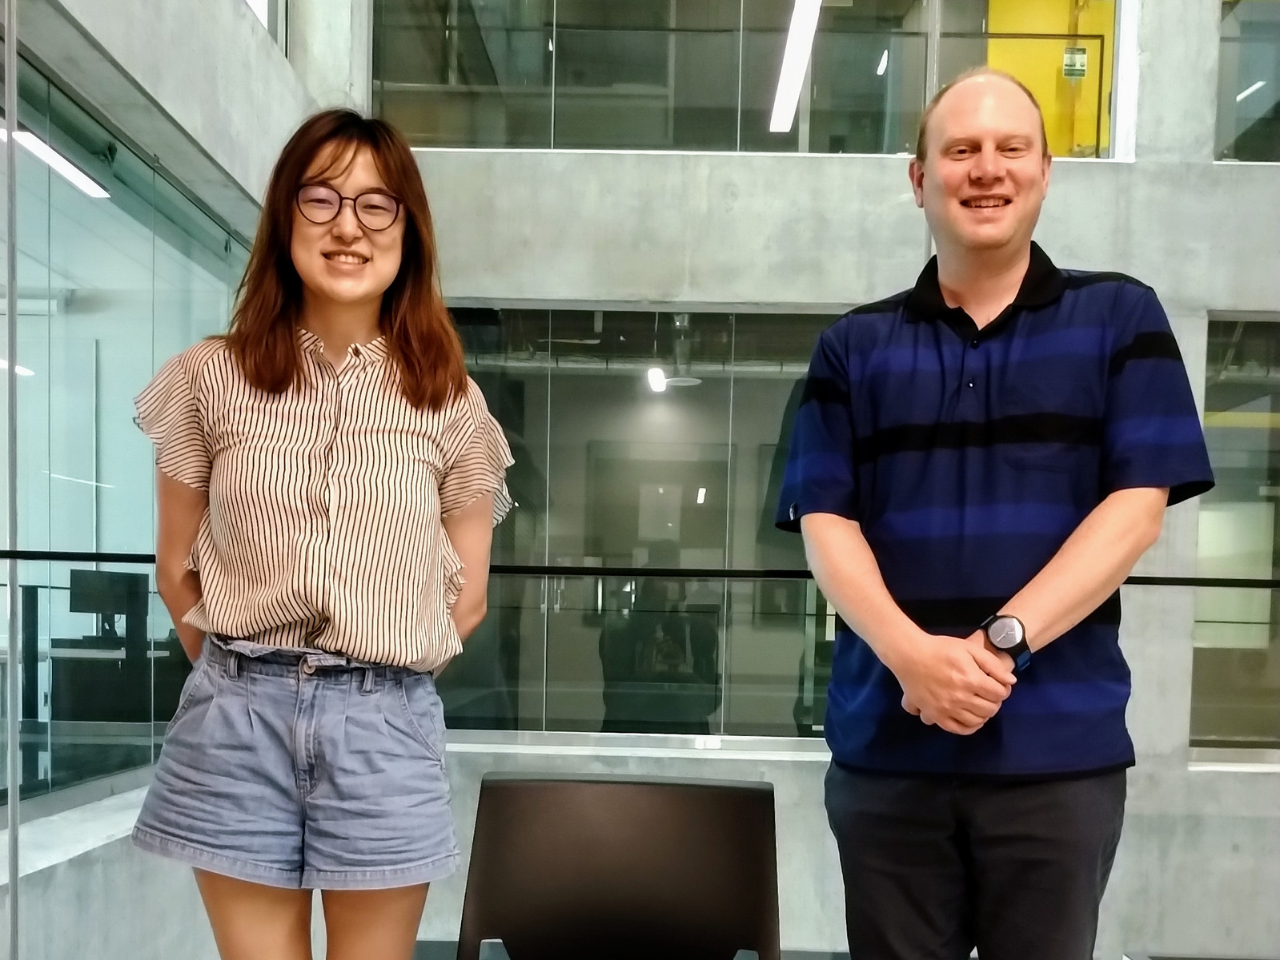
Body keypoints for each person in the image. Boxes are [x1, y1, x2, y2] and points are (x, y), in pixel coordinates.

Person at [777, 68, 1214, 960]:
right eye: (961, 150)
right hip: (889, 749)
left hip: (1058, 757)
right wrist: (914, 658)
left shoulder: (1120, 318)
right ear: (918, 179)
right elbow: (826, 525)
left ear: (1045, 172)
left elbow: (1136, 511)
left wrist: (997, 643)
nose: (986, 169)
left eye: (1011, 149)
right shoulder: (851, 348)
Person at [132, 109, 513, 960]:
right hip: (236, 717)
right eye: (322, 198)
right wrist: (247, 681)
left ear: (407, 232)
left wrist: (373, 683)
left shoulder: (451, 400)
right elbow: (176, 568)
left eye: (378, 205)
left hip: (384, 724)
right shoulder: (208, 376)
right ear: (284, 217)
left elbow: (470, 596)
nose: (348, 225)